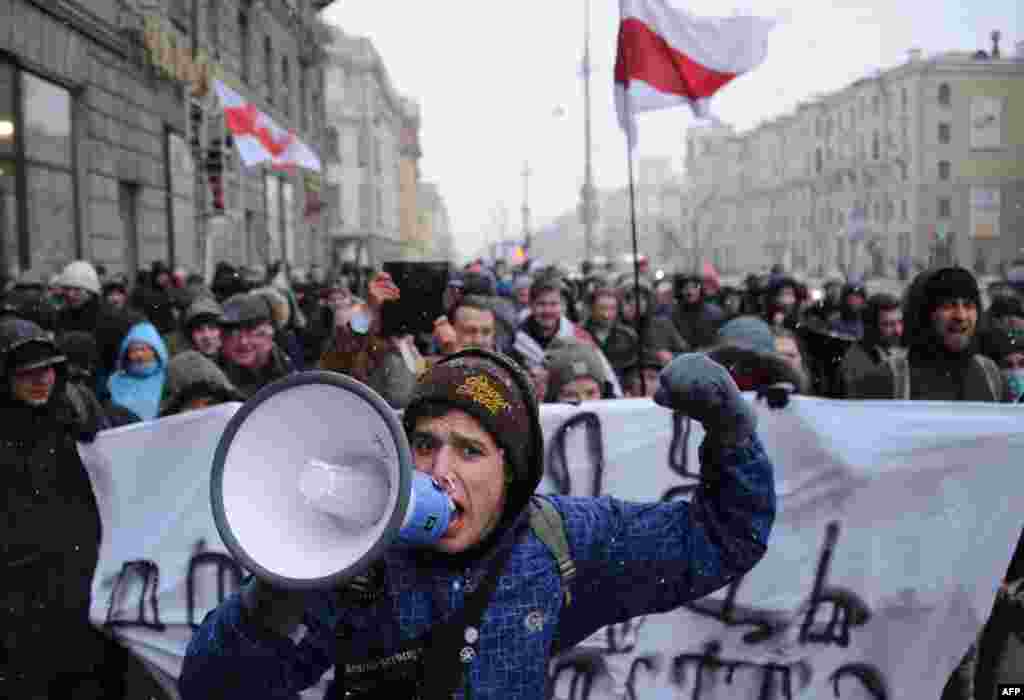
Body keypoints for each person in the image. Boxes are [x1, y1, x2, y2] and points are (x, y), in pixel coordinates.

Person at [179, 348, 776, 698]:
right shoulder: (354, 563)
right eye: (424, 444)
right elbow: (215, 689)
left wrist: (731, 433)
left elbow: (725, 537)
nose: (439, 472)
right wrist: (280, 590)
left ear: (511, 470)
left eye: (469, 451)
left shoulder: (566, 541)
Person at [1, 318, 168, 699]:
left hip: (84, 584)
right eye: (27, 373)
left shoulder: (76, 417)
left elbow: (125, 471)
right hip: (19, 597)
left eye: (46, 370)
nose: (40, 380)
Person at [847, 267, 1005, 401]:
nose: (961, 316)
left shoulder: (990, 375)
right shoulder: (890, 378)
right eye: (948, 305)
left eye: (969, 305)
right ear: (924, 314)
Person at [218, 293, 295, 399]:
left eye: (251, 331)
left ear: (270, 333)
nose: (243, 341)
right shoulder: (216, 382)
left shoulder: (291, 375)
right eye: (233, 334)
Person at [838, 293, 905, 394]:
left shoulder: (890, 350)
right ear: (871, 327)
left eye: (900, 322)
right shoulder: (856, 364)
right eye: (888, 324)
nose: (898, 330)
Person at [106, 320, 170, 421]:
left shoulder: (168, 376)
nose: (139, 355)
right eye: (134, 350)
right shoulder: (115, 381)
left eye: (144, 349)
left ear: (155, 351)